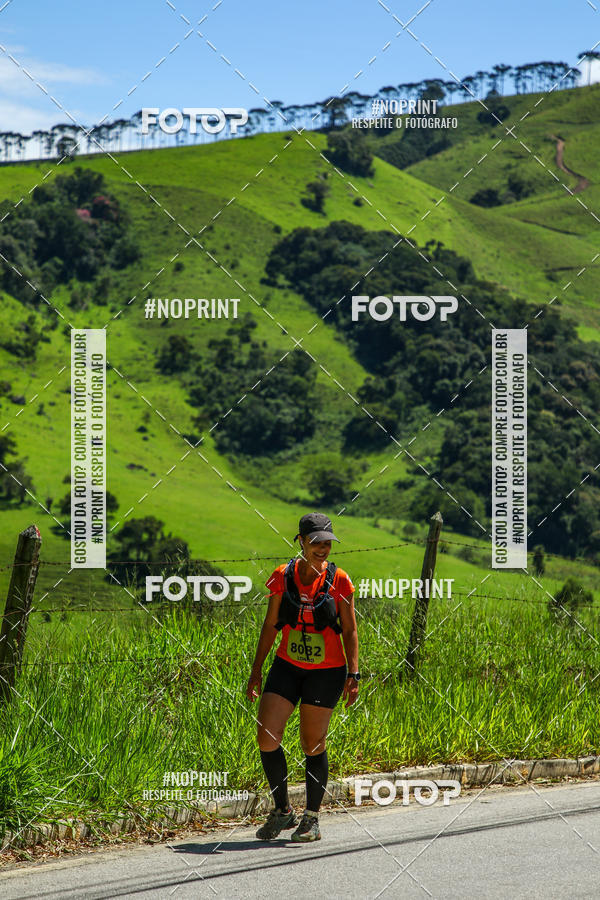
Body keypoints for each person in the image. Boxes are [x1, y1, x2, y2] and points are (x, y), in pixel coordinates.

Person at [246, 512, 360, 842]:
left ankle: (312, 818)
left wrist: (354, 673)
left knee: (312, 743)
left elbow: (350, 630)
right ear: (301, 542)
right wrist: (256, 671)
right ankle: (282, 811)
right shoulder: (283, 576)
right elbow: (270, 626)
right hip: (287, 665)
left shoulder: (341, 581)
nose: (323, 548)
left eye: (327, 542)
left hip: (327, 671)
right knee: (267, 737)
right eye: (316, 542)